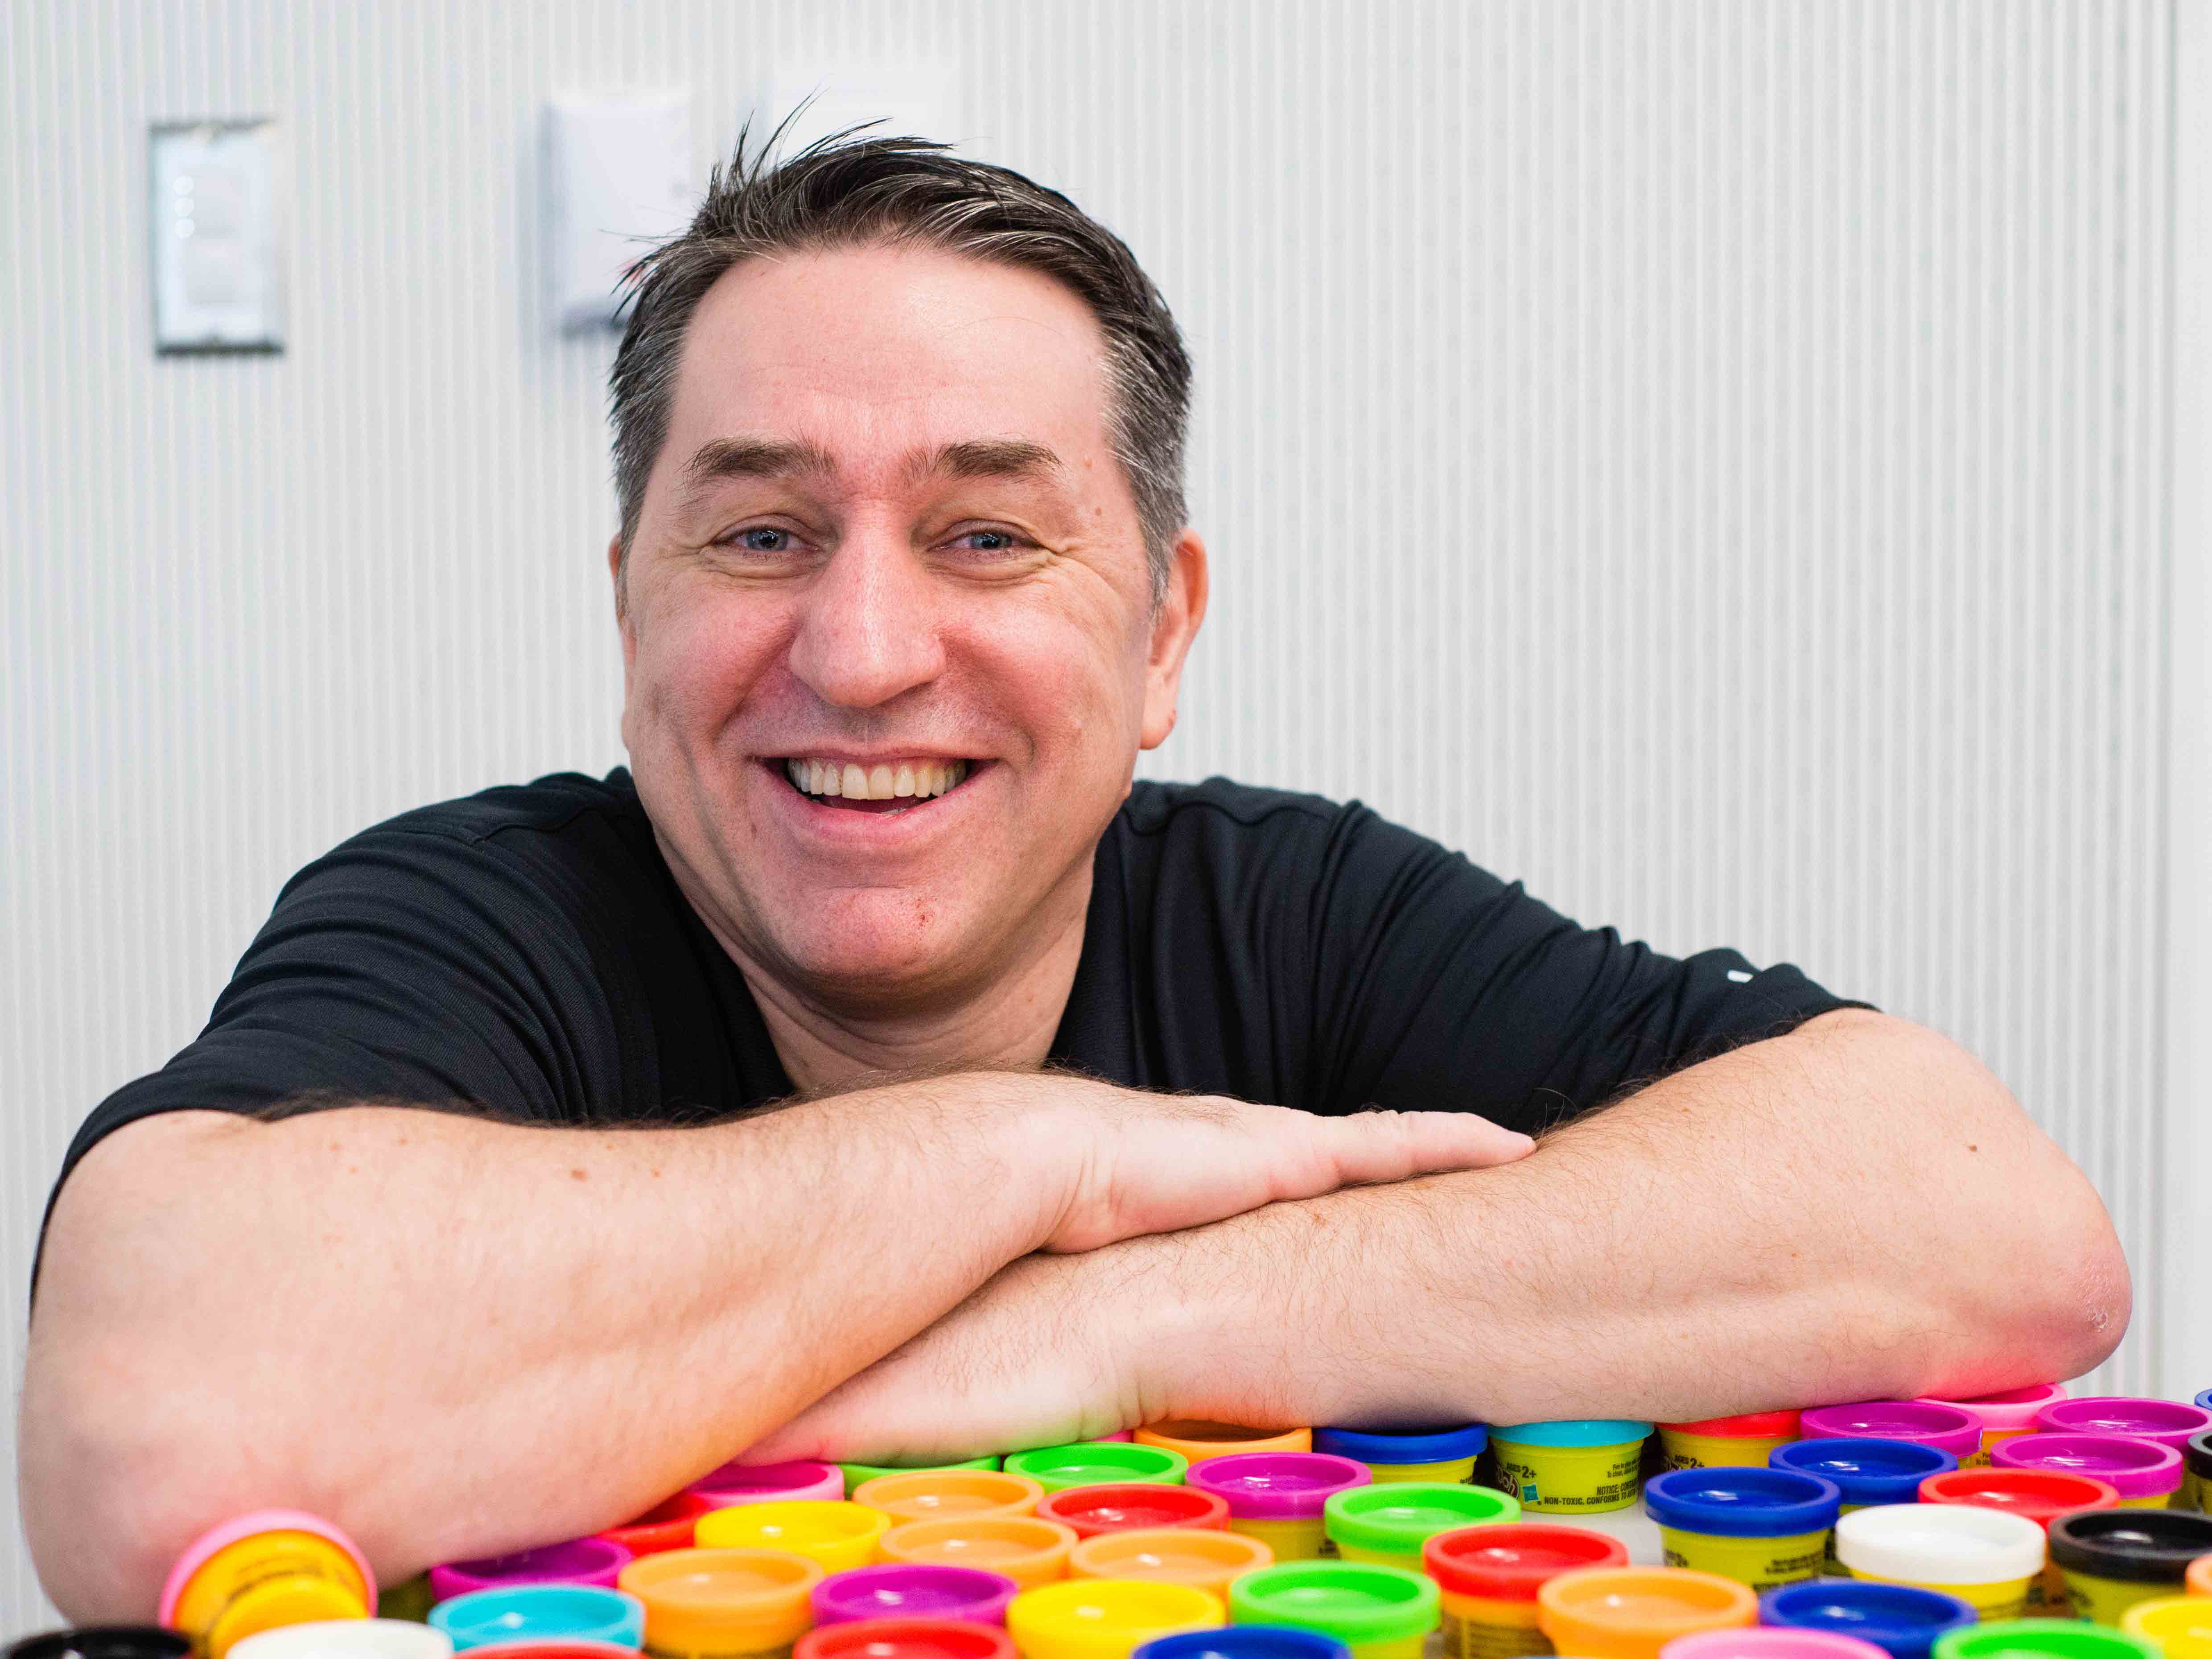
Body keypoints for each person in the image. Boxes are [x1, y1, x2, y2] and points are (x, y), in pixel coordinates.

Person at [20, 134, 2126, 1621]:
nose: (857, 650)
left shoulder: (1287, 908)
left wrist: (1103, 1326)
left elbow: (1981, 1217)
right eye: (756, 532)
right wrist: (1028, 1149)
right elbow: (145, 1418)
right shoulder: (479, 918)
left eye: (986, 534)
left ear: (1160, 633)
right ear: (628, 603)